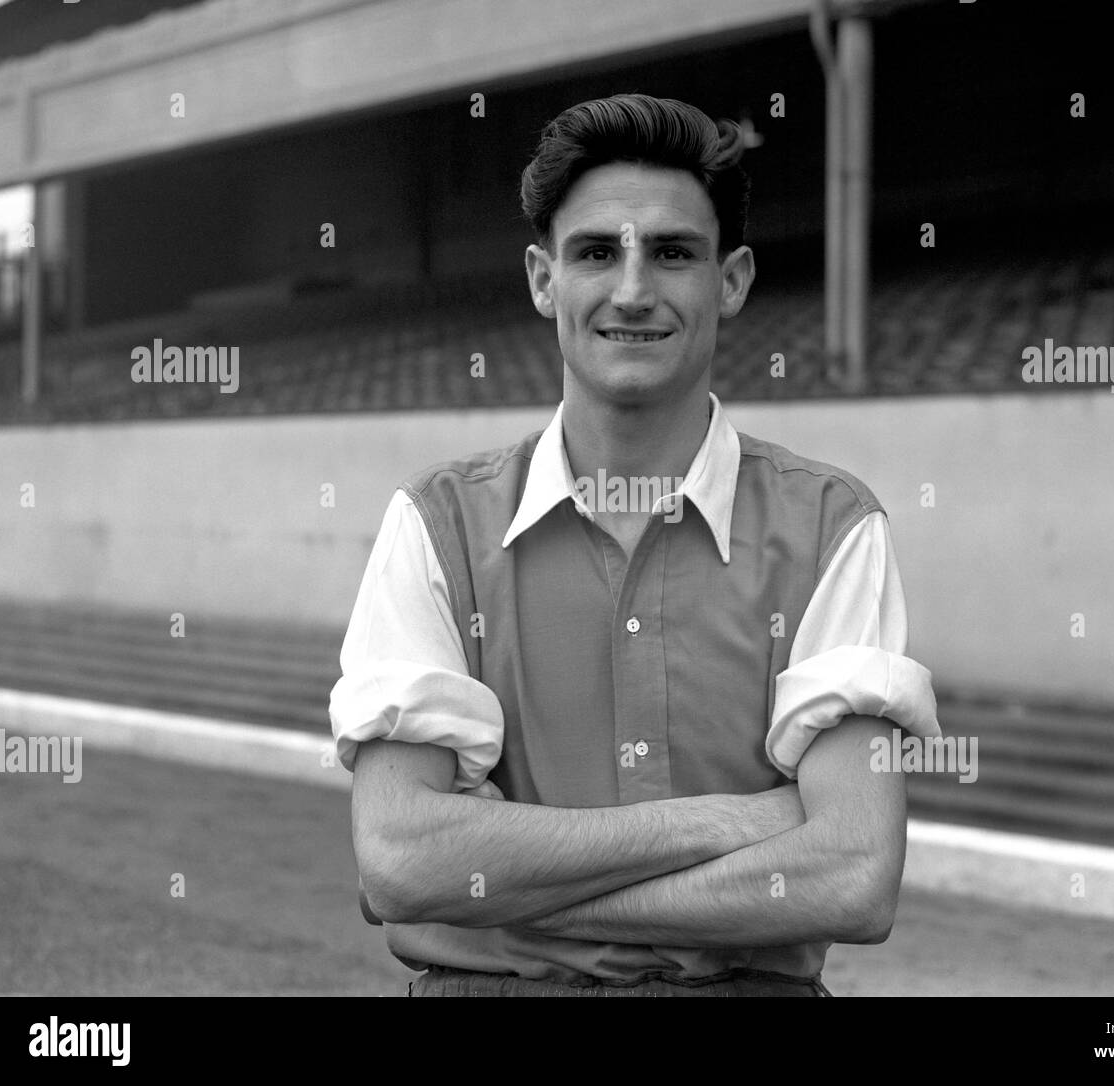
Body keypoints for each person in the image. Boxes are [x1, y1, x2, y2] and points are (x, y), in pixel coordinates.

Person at [328, 93, 941, 997]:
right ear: (544, 279)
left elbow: (850, 880)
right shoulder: (436, 525)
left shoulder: (833, 527)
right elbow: (401, 864)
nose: (631, 289)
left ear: (729, 280)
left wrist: (498, 887)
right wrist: (734, 824)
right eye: (596, 252)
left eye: (672, 252)